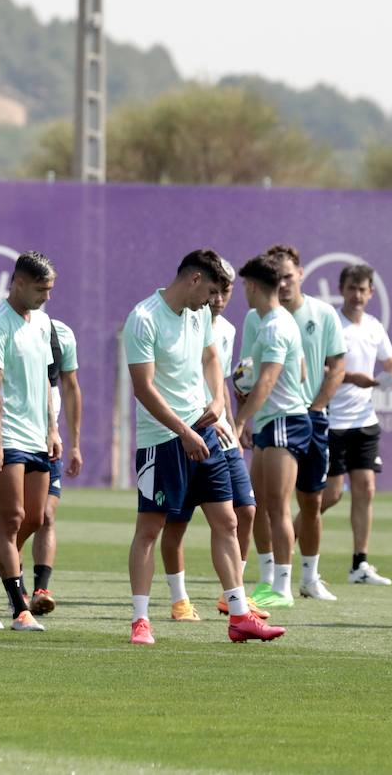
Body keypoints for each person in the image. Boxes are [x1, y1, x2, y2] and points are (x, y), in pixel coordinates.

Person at [124, 250, 284, 645]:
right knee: (151, 528)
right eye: (211, 291)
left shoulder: (200, 316)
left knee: (228, 521)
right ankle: (141, 621)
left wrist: (216, 400)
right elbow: (143, 388)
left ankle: (240, 615)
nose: (215, 301)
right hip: (162, 440)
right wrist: (182, 430)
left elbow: (212, 357)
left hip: (205, 432)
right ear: (194, 279)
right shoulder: (143, 318)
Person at [157, 259, 264, 622]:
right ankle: (180, 599)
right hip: (185, 430)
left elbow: (220, 380)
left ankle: (232, 595)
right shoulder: (180, 318)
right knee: (176, 522)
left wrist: (233, 423)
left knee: (244, 511)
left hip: (220, 430)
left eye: (226, 291)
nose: (218, 299)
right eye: (214, 291)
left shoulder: (228, 329)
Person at [0, 252, 60, 632]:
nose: (46, 297)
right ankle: (21, 610)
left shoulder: (43, 322)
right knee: (11, 520)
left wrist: (52, 429)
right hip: (6, 435)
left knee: (34, 518)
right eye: (40, 289)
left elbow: (47, 383)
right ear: (17, 283)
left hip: (37, 435)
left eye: (50, 290)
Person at [259, 244, 344, 604]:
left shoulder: (322, 314)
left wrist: (317, 405)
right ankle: (270, 580)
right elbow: (251, 367)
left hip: (313, 417)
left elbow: (337, 365)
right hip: (276, 418)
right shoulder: (260, 316)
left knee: (312, 500)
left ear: (302, 274)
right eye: (276, 278)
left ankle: (309, 577)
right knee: (268, 501)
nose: (283, 284)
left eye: (289, 277)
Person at [231, 254, 312, 612]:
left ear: (251, 286)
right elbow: (301, 371)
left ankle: (283, 586)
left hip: (285, 420)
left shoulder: (278, 326)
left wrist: (239, 421)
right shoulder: (268, 323)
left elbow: (268, 381)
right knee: (260, 503)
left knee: (278, 506)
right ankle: (267, 581)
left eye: (243, 287)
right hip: (269, 421)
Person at [323, 263, 392, 585]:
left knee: (366, 488)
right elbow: (318, 368)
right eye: (351, 288)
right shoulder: (332, 323)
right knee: (330, 495)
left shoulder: (373, 326)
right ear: (341, 290)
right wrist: (350, 378)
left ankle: (360, 564)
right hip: (333, 421)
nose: (357, 295)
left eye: (363, 289)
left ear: (371, 293)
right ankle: (285, 544)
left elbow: (391, 362)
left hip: (364, 421)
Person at [28, 316, 83, 615]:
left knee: (46, 515)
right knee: (17, 519)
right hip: (14, 439)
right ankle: (11, 585)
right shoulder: (3, 328)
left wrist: (73, 442)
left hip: (50, 443)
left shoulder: (62, 333)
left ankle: (41, 589)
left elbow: (70, 387)